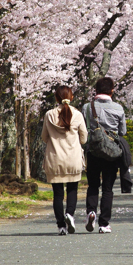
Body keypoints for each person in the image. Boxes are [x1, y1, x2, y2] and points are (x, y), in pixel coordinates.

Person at [41, 85, 88, 235]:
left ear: (56, 98)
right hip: (73, 159)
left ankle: (61, 226)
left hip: (54, 159)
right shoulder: (77, 114)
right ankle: (70, 214)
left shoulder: (49, 114)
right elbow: (84, 138)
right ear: (71, 97)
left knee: (58, 194)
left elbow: (44, 137)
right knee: (72, 189)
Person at [82, 76, 126, 233]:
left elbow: (83, 128)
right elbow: (122, 132)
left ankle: (91, 212)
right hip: (111, 152)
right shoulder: (118, 108)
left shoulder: (87, 107)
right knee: (108, 188)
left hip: (93, 151)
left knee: (93, 185)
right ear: (112, 91)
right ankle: (104, 224)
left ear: (96, 90)